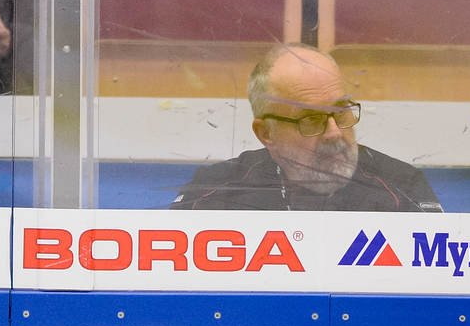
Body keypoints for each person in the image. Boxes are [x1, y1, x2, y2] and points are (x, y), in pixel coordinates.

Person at [171, 43, 442, 210]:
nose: (335, 133)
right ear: (267, 133)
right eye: (312, 120)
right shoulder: (214, 194)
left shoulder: (402, 187)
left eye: (341, 111)